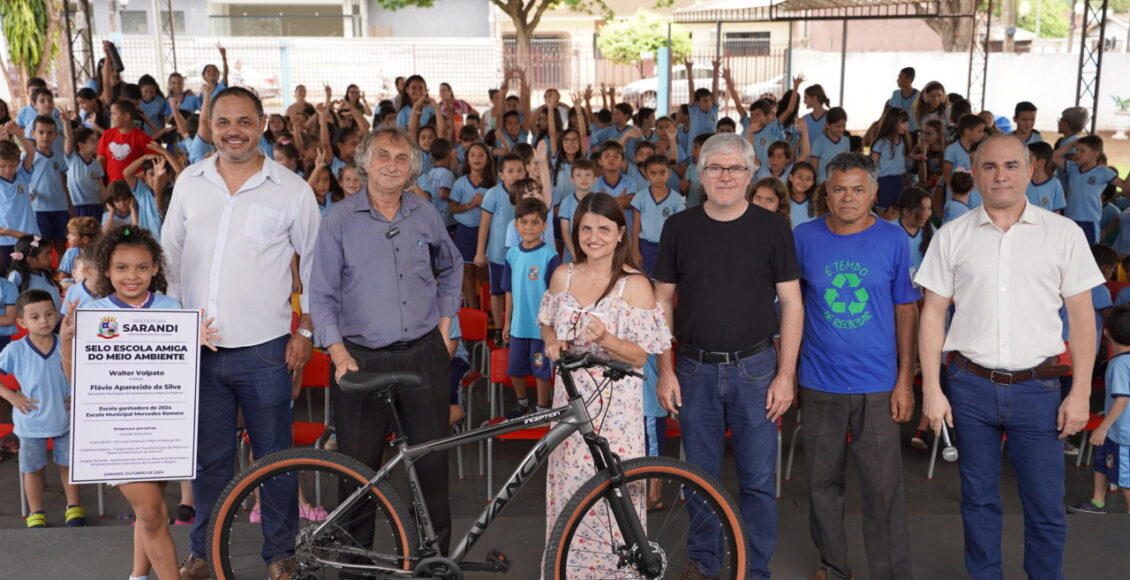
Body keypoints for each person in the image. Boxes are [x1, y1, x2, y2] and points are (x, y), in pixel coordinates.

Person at [916, 133, 1104, 579]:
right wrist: (932, 391)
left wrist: (1079, 395)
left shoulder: (1064, 234)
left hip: (1039, 389)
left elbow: (1082, 319)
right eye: (989, 167)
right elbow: (932, 316)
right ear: (975, 174)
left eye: (1011, 166)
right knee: (978, 500)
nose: (1000, 175)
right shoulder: (952, 235)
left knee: (1044, 505)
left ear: (1032, 171)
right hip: (969, 387)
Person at [164, 86, 320, 580]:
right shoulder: (189, 182)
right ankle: (204, 552)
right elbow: (168, 261)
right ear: (208, 124)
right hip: (200, 349)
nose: (234, 131)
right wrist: (172, 329)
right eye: (223, 121)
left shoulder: (292, 189)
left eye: (245, 121)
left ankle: (279, 555)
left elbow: (314, 266)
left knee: (274, 458)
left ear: (263, 123)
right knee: (209, 461)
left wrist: (308, 328)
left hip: (267, 349)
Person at [655, 133, 803, 579]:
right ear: (700, 174)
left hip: (757, 371)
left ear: (751, 173)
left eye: (735, 168)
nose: (725, 176)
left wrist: (786, 375)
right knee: (699, 478)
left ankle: (753, 570)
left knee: (758, 482)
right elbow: (662, 302)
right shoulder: (678, 228)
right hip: (693, 368)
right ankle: (703, 562)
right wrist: (665, 369)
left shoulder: (773, 228)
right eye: (716, 168)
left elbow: (792, 304)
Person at [309, 126, 462, 560]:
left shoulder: (426, 214)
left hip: (423, 356)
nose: (392, 164)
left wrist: (446, 323)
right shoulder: (338, 219)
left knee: (430, 470)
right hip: (360, 361)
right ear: (364, 162)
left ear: (413, 167)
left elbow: (452, 267)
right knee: (358, 473)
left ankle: (431, 563)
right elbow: (319, 293)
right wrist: (337, 353)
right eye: (383, 155)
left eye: (401, 157)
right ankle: (357, 569)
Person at [61, 225, 218, 580]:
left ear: (155, 269)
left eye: (141, 267)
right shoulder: (93, 311)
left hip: (160, 429)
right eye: (121, 267)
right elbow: (77, 380)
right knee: (151, 512)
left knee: (149, 513)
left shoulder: (171, 308)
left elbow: (179, 373)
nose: (132, 276)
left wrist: (194, 340)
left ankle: (136, 576)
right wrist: (68, 339)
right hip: (117, 431)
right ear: (106, 270)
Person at [793, 152, 918, 580]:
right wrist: (787, 375)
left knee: (883, 490)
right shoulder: (803, 237)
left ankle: (890, 572)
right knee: (821, 486)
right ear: (825, 192)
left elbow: (906, 309)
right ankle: (833, 566)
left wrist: (905, 380)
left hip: (879, 385)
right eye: (839, 189)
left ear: (874, 193)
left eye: (858, 189)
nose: (848, 198)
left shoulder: (894, 239)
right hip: (819, 381)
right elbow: (791, 310)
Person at [538, 191, 672, 575]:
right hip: (570, 401)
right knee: (569, 493)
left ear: (619, 233)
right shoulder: (563, 276)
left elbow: (640, 356)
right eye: (585, 228)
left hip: (616, 410)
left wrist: (607, 340)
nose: (593, 236)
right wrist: (551, 341)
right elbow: (546, 319)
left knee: (614, 497)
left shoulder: (634, 285)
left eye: (603, 228)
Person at [0, 289, 84, 528]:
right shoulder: (15, 350)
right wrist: (11, 397)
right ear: (21, 322)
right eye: (35, 317)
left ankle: (74, 507)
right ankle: (36, 512)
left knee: (68, 465)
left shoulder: (66, 344)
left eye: (49, 314)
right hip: (30, 422)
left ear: (57, 314)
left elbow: (85, 373)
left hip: (66, 418)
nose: (44, 321)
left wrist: (79, 395)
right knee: (33, 469)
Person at [1067, 304, 1130, 514]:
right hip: (1115, 431)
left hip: (1120, 432)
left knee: (1124, 477)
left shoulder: (1119, 364)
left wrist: (1103, 427)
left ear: (1106, 332)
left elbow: (1121, 399)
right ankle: (1097, 500)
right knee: (1101, 463)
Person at [501, 197, 560, 417]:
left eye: (535, 222)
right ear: (516, 225)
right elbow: (508, 290)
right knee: (515, 368)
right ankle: (522, 401)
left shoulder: (550, 256)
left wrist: (552, 326)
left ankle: (543, 406)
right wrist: (507, 321)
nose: (529, 227)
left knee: (540, 369)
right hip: (518, 327)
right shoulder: (512, 254)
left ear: (544, 225)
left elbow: (555, 295)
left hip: (540, 329)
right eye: (524, 222)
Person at [630, 154, 684, 277]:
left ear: (669, 173)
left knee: (666, 279)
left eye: (662, 172)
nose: (658, 177)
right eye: (653, 173)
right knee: (647, 279)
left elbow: (680, 226)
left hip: (668, 246)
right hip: (646, 246)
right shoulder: (640, 196)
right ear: (646, 174)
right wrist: (635, 250)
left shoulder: (676, 198)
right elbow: (636, 224)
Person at [887, 67, 919, 131]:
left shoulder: (919, 96)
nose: (897, 80)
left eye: (900, 77)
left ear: (909, 79)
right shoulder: (895, 94)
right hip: (897, 130)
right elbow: (890, 112)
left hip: (914, 131)